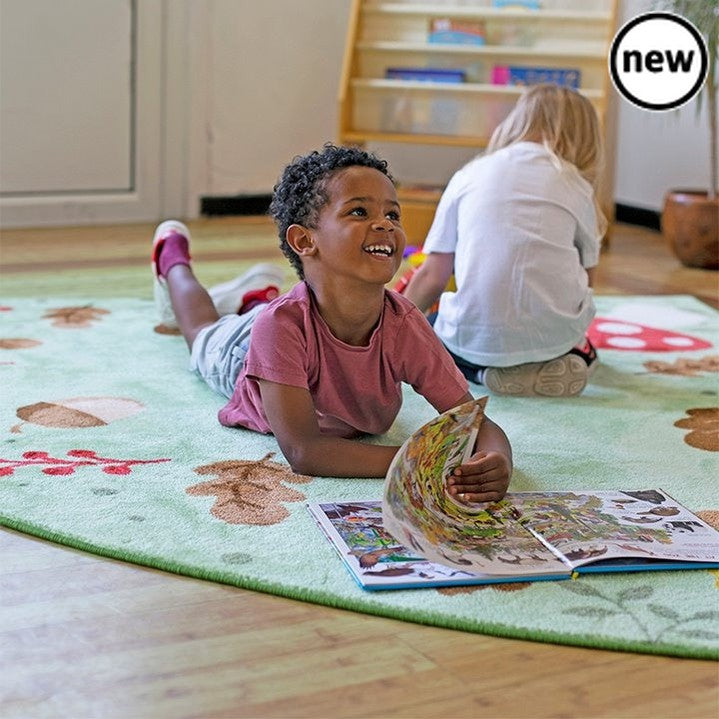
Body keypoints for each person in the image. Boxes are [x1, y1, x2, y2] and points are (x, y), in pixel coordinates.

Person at [151, 144, 512, 501]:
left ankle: (253, 297)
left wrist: (497, 460)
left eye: (393, 214)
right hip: (240, 356)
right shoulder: (280, 326)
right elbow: (305, 451)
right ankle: (173, 260)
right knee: (198, 330)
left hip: (285, 320)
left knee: (263, 313)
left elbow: (475, 423)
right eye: (358, 211)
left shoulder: (406, 325)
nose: (384, 224)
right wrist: (420, 461)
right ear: (305, 240)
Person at [403, 84, 606, 397]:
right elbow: (588, 280)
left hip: (473, 338)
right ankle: (565, 357)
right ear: (585, 137)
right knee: (582, 348)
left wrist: (395, 327)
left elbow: (433, 274)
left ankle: (481, 372)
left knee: (434, 330)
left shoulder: (468, 175)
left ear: (516, 122)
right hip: (553, 340)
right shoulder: (576, 185)